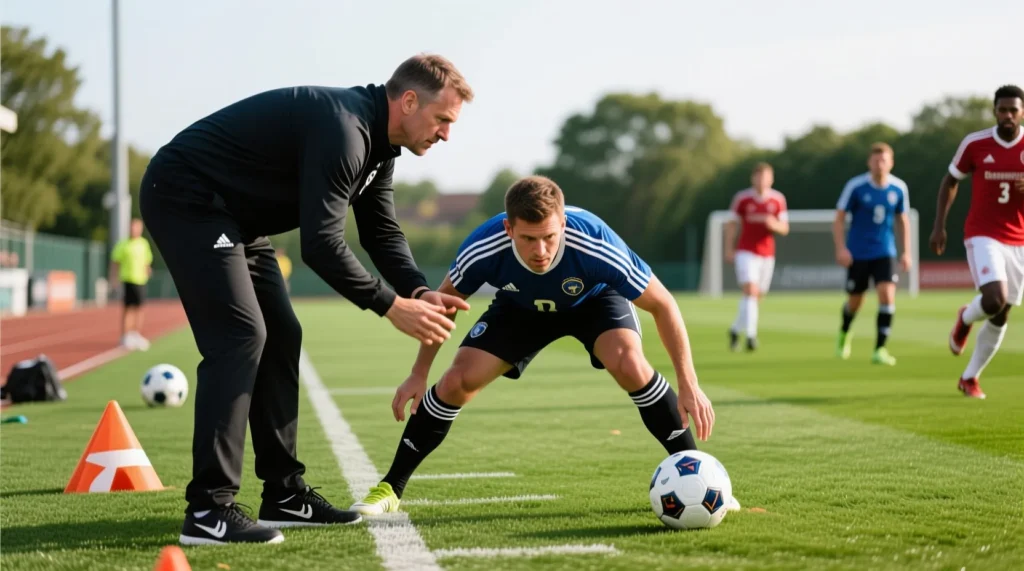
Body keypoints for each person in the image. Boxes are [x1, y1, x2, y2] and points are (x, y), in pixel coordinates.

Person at [139, 54, 474, 545]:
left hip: (238, 219)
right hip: (187, 198)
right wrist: (391, 305)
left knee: (281, 333)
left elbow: (380, 231)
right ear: (407, 101)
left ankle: (284, 495)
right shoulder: (346, 130)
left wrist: (418, 289)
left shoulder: (381, 148)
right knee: (240, 336)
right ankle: (209, 509)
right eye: (442, 118)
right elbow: (321, 245)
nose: (446, 134)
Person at [348, 175, 732, 515]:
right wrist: (419, 374)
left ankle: (699, 472)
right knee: (456, 382)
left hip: (594, 302)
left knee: (629, 363)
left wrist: (689, 383)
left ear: (563, 223)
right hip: (520, 306)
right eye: (529, 238)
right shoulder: (483, 247)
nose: (541, 250)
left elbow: (663, 304)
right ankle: (390, 488)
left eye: (550, 237)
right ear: (509, 229)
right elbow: (440, 306)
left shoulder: (594, 243)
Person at [931, 84, 1024, 399]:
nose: (1008, 115)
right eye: (1002, 110)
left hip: (1019, 241)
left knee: (1000, 314)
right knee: (994, 298)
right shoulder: (975, 143)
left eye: (1014, 110)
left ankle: (969, 378)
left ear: (1022, 112)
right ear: (994, 111)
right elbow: (950, 181)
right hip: (983, 234)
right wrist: (939, 226)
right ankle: (966, 317)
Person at [832, 143, 911, 365]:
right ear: (869, 162)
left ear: (891, 162)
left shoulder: (898, 188)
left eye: (884, 160)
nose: (880, 164)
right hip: (857, 253)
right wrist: (841, 248)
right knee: (855, 302)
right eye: (876, 160)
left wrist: (906, 252)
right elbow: (838, 219)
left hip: (885, 251)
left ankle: (880, 349)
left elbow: (902, 220)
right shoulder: (856, 187)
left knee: (887, 294)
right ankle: (844, 333)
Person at [724, 163, 789, 351]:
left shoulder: (778, 199)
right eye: (758, 177)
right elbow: (732, 224)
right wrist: (729, 248)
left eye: (766, 177)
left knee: (756, 296)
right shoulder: (743, 199)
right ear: (753, 178)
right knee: (750, 291)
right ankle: (751, 336)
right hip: (746, 251)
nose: (762, 181)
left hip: (767, 254)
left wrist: (773, 224)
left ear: (771, 179)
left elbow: (785, 227)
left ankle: (735, 329)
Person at [109, 218, 153, 350]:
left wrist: (147, 270)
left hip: (141, 280)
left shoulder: (144, 244)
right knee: (128, 308)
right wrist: (114, 279)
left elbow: (147, 260)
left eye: (137, 227)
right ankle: (126, 336)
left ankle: (136, 334)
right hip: (128, 280)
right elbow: (115, 262)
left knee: (139, 308)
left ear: (140, 229)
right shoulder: (123, 244)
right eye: (132, 227)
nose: (134, 230)